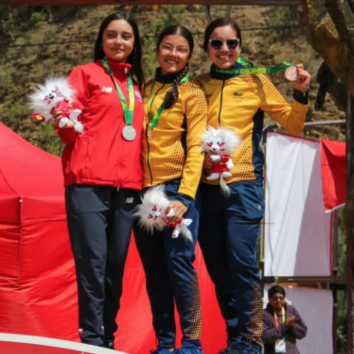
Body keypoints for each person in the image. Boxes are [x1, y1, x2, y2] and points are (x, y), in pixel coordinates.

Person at [195, 18, 311, 354]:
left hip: (243, 184)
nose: (224, 50)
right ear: (207, 48)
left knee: (242, 263)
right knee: (218, 268)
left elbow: (293, 123)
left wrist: (300, 92)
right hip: (204, 187)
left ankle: (250, 339)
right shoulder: (197, 84)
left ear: (240, 47)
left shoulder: (257, 81)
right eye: (216, 44)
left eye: (231, 43)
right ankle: (237, 340)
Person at [52, 12, 144, 349]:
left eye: (126, 36)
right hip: (88, 184)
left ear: (135, 44)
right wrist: (63, 121)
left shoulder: (139, 84)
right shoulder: (85, 74)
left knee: (115, 268)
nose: (118, 42)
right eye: (112, 35)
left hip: (129, 188)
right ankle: (92, 341)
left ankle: (107, 338)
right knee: (93, 264)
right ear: (101, 40)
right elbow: (65, 127)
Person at [133, 25, 208, 354]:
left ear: (189, 55)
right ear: (157, 49)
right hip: (143, 193)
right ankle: (165, 343)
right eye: (167, 47)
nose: (173, 54)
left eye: (180, 49)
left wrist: (185, 197)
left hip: (177, 189)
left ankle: (192, 342)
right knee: (155, 272)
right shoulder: (144, 89)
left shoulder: (193, 93)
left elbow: (197, 148)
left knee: (180, 267)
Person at [262, 286, 307, 354]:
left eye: (281, 298)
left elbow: (303, 332)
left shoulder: (291, 310)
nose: (278, 300)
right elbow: (265, 336)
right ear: (269, 299)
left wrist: (292, 326)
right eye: (275, 298)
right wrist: (284, 326)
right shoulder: (264, 314)